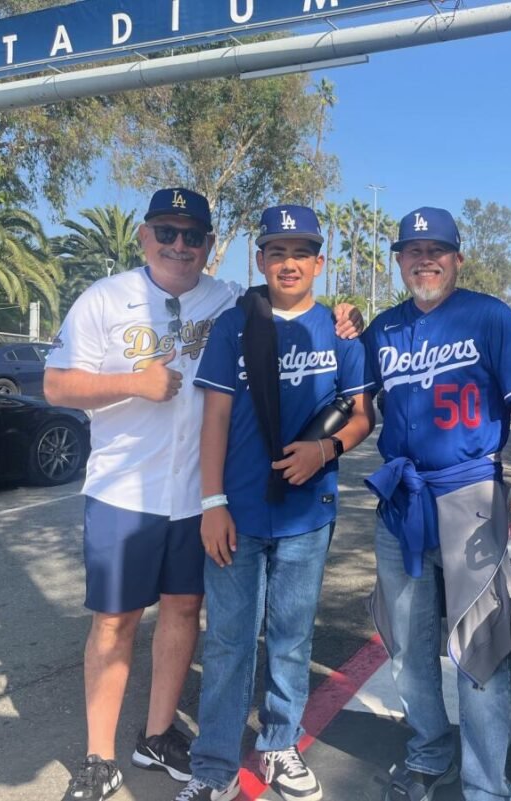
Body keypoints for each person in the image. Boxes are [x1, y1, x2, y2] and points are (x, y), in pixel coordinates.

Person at [45, 189, 361, 801]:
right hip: (123, 490)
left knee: (185, 614)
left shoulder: (226, 301)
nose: (180, 246)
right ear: (144, 236)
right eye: (167, 232)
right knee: (114, 622)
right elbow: (57, 385)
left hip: (195, 496)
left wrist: (347, 319)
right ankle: (97, 757)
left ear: (210, 245)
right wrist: (132, 382)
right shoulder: (104, 298)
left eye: (193, 236)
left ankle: (158, 734)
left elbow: (291, 307)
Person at [171, 204, 375, 801]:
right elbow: (214, 417)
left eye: (300, 252)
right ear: (260, 260)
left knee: (291, 638)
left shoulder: (341, 332)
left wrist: (326, 448)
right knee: (230, 642)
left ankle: (280, 746)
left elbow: (362, 416)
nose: (289, 263)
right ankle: (214, 769)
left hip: (307, 514)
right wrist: (211, 501)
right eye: (277, 252)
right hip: (235, 513)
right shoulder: (234, 326)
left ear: (319, 262)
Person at [364, 207, 511, 801]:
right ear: (398, 261)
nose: (425, 260)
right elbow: (354, 403)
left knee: (480, 650)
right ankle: (428, 750)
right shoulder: (382, 328)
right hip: (402, 499)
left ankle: (485, 783)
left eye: (437, 250)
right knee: (406, 647)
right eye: (413, 251)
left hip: (470, 494)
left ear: (457, 258)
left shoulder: (488, 316)